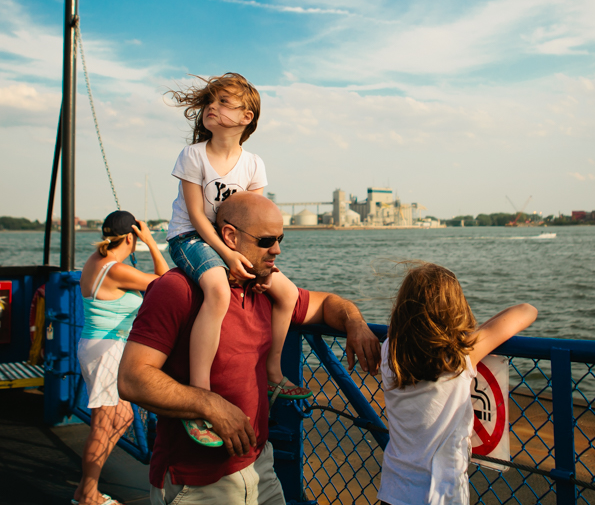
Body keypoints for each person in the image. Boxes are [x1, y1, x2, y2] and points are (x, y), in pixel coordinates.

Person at [118, 192, 381, 505]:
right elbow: (132, 378)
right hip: (196, 483)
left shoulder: (265, 287)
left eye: (280, 238)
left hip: (261, 468)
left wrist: (355, 321)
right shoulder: (177, 289)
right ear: (230, 236)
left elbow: (325, 305)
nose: (277, 250)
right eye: (267, 240)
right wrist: (209, 404)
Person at [165, 73, 310, 448]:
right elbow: (198, 216)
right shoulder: (193, 155)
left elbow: (256, 217)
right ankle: (201, 397)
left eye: (224, 103)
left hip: (232, 243)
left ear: (246, 117)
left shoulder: (253, 164)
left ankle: (273, 371)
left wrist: (263, 265)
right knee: (217, 289)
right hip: (190, 237)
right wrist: (227, 255)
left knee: (288, 292)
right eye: (210, 102)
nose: (212, 108)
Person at [377, 262, 538, 505]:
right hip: (442, 495)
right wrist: (473, 333)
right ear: (454, 309)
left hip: (393, 490)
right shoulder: (459, 357)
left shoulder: (390, 351)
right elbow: (527, 310)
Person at [72, 210, 170, 505]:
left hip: (96, 346)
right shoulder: (116, 270)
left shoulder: (96, 261)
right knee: (103, 425)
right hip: (107, 351)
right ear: (131, 237)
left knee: (122, 416)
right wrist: (152, 244)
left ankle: (87, 488)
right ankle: (87, 494)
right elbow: (165, 282)